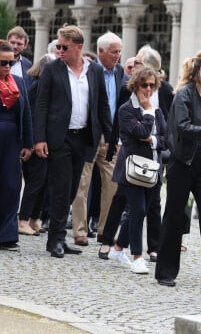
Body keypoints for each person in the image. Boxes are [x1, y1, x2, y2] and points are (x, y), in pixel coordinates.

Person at [33, 25, 112, 258]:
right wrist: (39, 139)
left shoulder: (95, 71)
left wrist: (110, 136)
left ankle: (59, 237)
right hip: (60, 137)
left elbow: (102, 106)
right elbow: (41, 104)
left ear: (78, 47)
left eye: (64, 47)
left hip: (85, 137)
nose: (60, 50)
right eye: (58, 46)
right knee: (61, 187)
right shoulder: (52, 70)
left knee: (72, 189)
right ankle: (55, 239)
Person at [155, 48, 201, 288]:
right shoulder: (183, 94)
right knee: (174, 216)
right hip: (181, 164)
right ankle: (165, 271)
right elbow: (183, 127)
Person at [99, 45, 173, 261]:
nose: (134, 66)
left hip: (153, 157)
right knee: (122, 200)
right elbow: (124, 125)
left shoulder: (165, 91)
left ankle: (149, 247)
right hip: (130, 153)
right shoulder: (128, 93)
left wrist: (154, 138)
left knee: (150, 204)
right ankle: (115, 245)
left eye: (139, 63)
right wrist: (114, 146)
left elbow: (165, 131)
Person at [108, 67, 166, 274]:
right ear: (135, 85)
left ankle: (117, 248)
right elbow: (140, 132)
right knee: (138, 210)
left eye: (152, 85)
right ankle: (137, 257)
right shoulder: (127, 109)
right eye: (144, 85)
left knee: (138, 211)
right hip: (131, 169)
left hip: (153, 169)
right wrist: (148, 114)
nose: (148, 89)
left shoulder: (156, 109)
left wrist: (151, 138)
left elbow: (165, 140)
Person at [69, 32, 124, 246]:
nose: (118, 55)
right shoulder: (89, 71)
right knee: (82, 183)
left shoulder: (119, 72)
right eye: (114, 52)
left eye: (119, 51)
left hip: (111, 136)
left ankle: (105, 230)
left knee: (112, 184)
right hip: (89, 133)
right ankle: (79, 231)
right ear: (100, 51)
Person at [0, 40, 33, 250]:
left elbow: (26, 114)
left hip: (12, 140)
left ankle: (6, 235)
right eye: (3, 63)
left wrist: (28, 143)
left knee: (11, 186)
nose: (7, 67)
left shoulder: (19, 82)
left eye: (11, 63)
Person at [18, 54, 53, 236]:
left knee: (44, 183)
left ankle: (34, 218)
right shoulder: (36, 88)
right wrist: (30, 143)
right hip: (34, 143)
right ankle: (23, 219)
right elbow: (30, 118)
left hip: (45, 142)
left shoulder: (44, 89)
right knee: (35, 183)